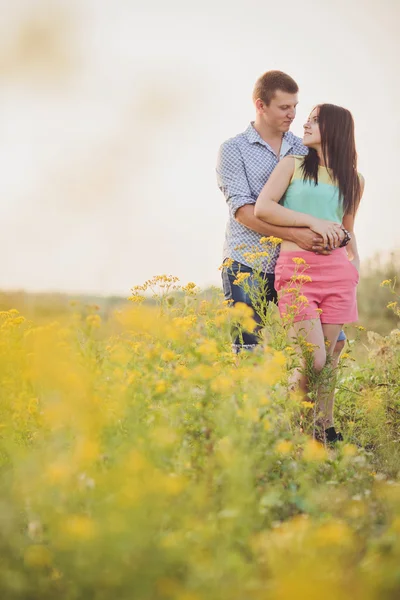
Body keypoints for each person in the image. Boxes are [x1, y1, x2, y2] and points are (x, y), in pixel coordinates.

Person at [254, 103, 364, 443]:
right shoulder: (293, 164)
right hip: (296, 270)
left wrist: (354, 267)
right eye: (308, 118)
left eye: (315, 119)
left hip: (338, 274)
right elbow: (263, 207)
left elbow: (348, 230)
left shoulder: (354, 179)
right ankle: (292, 428)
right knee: (312, 359)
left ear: (336, 128)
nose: (306, 122)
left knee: (328, 361)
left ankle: (321, 430)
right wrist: (312, 222)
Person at [216, 70, 347, 355]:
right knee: (249, 349)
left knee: (332, 343)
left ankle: (302, 400)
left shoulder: (303, 146)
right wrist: (297, 235)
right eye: (284, 107)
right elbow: (243, 211)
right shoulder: (233, 150)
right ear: (260, 105)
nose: (293, 115)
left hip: (300, 263)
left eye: (296, 107)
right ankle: (252, 400)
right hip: (248, 262)